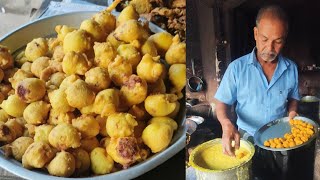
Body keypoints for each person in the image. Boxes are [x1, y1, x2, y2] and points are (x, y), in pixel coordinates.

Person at [214, 5, 302, 179]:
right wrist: (226, 123)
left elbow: (293, 97)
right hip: (247, 138)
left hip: (280, 138)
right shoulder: (237, 69)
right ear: (255, 34)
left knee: (279, 175)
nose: (270, 48)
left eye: (278, 41)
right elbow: (221, 103)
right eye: (264, 39)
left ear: (284, 40)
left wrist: (292, 111)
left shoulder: (291, 69)